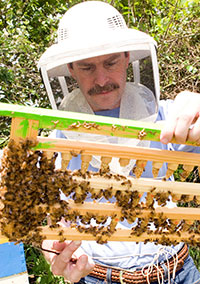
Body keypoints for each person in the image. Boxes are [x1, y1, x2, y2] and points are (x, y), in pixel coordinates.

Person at [38, 1, 200, 283]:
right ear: (71, 69)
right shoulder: (56, 140)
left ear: (127, 58)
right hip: (99, 276)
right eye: (87, 67)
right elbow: (56, 224)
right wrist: (53, 249)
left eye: (111, 62)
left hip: (179, 272)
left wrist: (194, 106)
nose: (101, 79)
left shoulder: (166, 115)